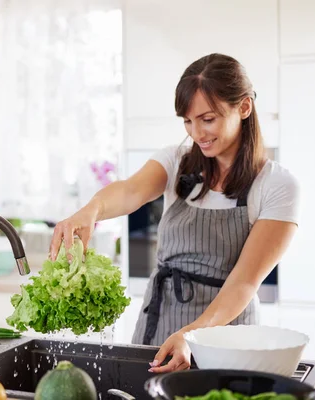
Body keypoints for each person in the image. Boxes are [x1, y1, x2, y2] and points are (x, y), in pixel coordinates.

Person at [48, 53, 300, 373]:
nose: (197, 134)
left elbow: (243, 283)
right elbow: (130, 190)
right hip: (159, 325)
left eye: (207, 119)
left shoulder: (277, 185)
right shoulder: (176, 161)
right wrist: (91, 210)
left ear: (245, 108)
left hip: (227, 337)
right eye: (187, 121)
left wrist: (191, 335)